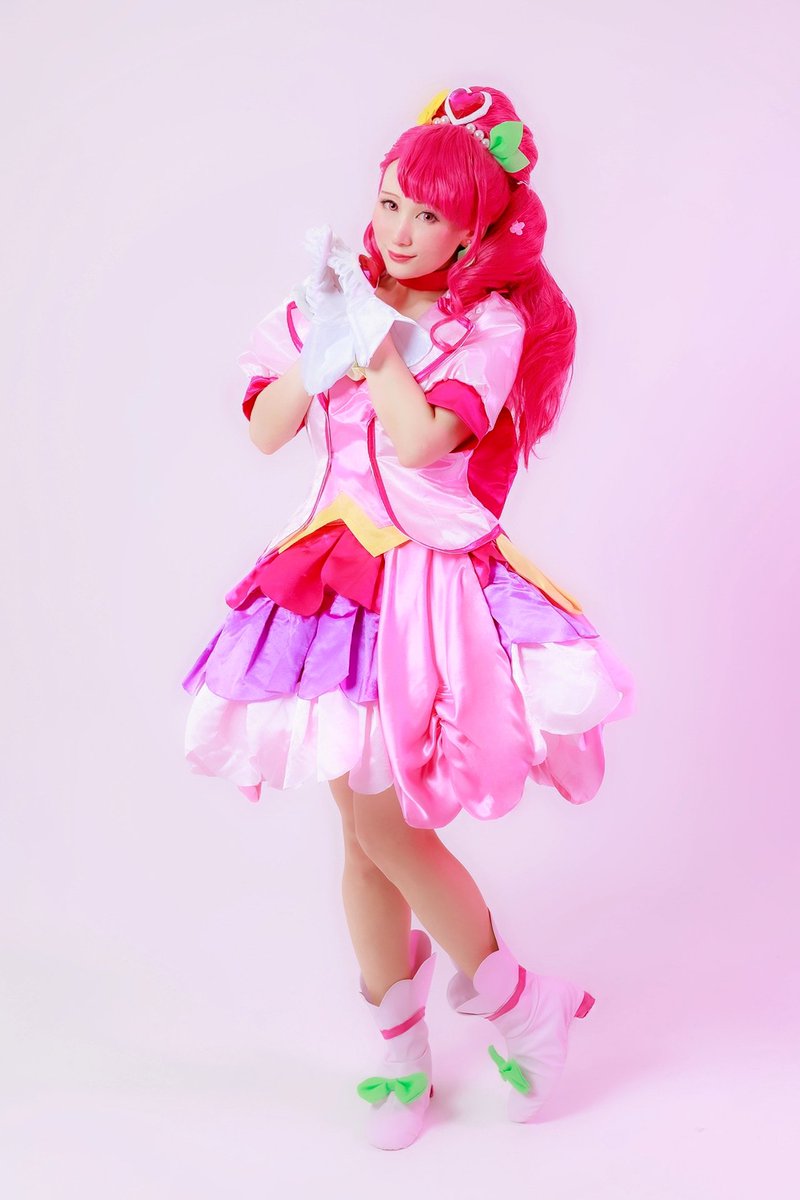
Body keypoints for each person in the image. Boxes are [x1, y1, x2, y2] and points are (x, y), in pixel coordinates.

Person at [181, 84, 635, 1151]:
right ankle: (402, 1047)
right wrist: (322, 347)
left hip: (427, 586)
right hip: (330, 580)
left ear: (473, 231)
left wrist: (377, 345)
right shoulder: (331, 298)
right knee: (357, 832)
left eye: (429, 215)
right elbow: (266, 431)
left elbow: (426, 442)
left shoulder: (490, 325)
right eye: (390, 202)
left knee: (386, 824)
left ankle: (515, 997)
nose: (400, 229)